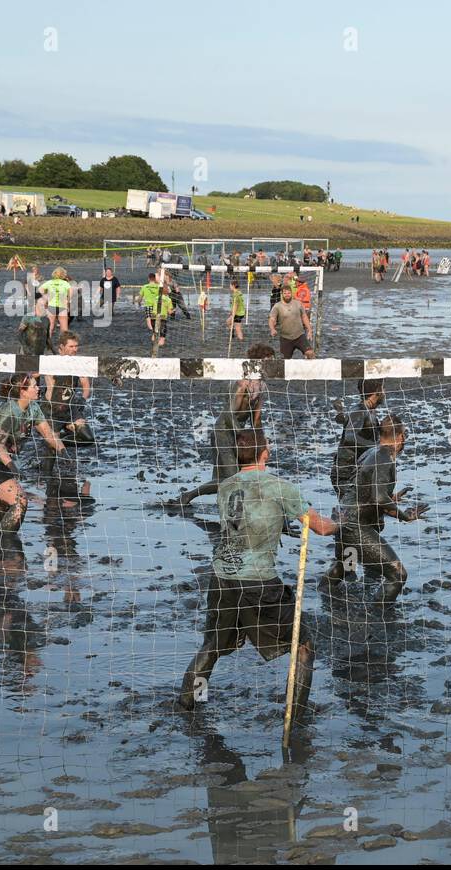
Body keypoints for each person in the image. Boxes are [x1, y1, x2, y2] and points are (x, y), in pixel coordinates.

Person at [178, 427, 337, 712]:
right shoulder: (279, 486)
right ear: (266, 451)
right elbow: (321, 527)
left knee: (212, 646)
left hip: (222, 577)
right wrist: (343, 521)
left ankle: (190, 703)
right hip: (259, 582)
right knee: (303, 645)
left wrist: (277, 524)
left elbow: (246, 520)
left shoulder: (227, 485)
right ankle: (298, 714)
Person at [321, 415, 428, 604]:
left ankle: (323, 594)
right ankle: (379, 617)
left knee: (346, 566)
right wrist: (405, 516)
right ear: (402, 437)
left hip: (342, 517)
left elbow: (359, 488)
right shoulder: (385, 457)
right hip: (355, 526)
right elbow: (378, 498)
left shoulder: (371, 451)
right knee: (398, 574)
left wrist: (391, 498)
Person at [167, 344, 276, 509]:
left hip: (238, 434)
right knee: (233, 478)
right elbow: (229, 414)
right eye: (268, 361)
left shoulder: (261, 387)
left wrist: (261, 440)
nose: (272, 365)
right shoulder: (242, 385)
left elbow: (257, 419)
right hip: (223, 432)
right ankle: (233, 510)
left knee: (228, 480)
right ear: (257, 363)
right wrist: (242, 435)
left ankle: (189, 496)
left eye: (273, 362)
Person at [0, 373, 66, 532]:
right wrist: (13, 467)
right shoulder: (9, 412)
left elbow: (49, 435)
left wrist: (63, 451)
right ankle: (9, 545)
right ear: (23, 391)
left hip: (1, 464)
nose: (38, 388)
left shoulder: (33, 408)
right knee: (20, 501)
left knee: (1, 517)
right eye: (34, 386)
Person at [330, 379, 384, 499]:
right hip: (346, 474)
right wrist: (376, 447)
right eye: (383, 388)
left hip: (357, 472)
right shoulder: (359, 410)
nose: (385, 392)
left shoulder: (369, 411)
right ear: (377, 392)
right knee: (352, 513)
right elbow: (350, 437)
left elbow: (348, 422)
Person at [44, 332, 94, 444]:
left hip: (71, 408)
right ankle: (53, 436)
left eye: (76, 346)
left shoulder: (79, 363)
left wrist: (83, 399)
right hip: (53, 409)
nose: (75, 349)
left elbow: (86, 385)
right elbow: (32, 373)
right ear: (62, 347)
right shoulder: (50, 362)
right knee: (50, 448)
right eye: (71, 346)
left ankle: (62, 437)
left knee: (88, 438)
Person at [268, 284, 313, 359]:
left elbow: (304, 317)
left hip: (300, 336)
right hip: (285, 338)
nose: (287, 295)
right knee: (285, 361)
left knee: (310, 354)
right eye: (285, 293)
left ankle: (309, 370)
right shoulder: (277, 306)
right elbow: (272, 319)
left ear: (291, 293)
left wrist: (309, 330)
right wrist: (272, 329)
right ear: (282, 294)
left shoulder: (298, 303)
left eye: (288, 293)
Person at [41, 267, 73, 337]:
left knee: (51, 326)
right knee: (64, 328)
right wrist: (68, 300)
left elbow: (41, 289)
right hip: (62, 306)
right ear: (63, 274)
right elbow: (71, 291)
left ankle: (48, 342)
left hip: (51, 306)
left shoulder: (49, 282)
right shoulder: (65, 283)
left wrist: (46, 297)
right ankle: (63, 343)